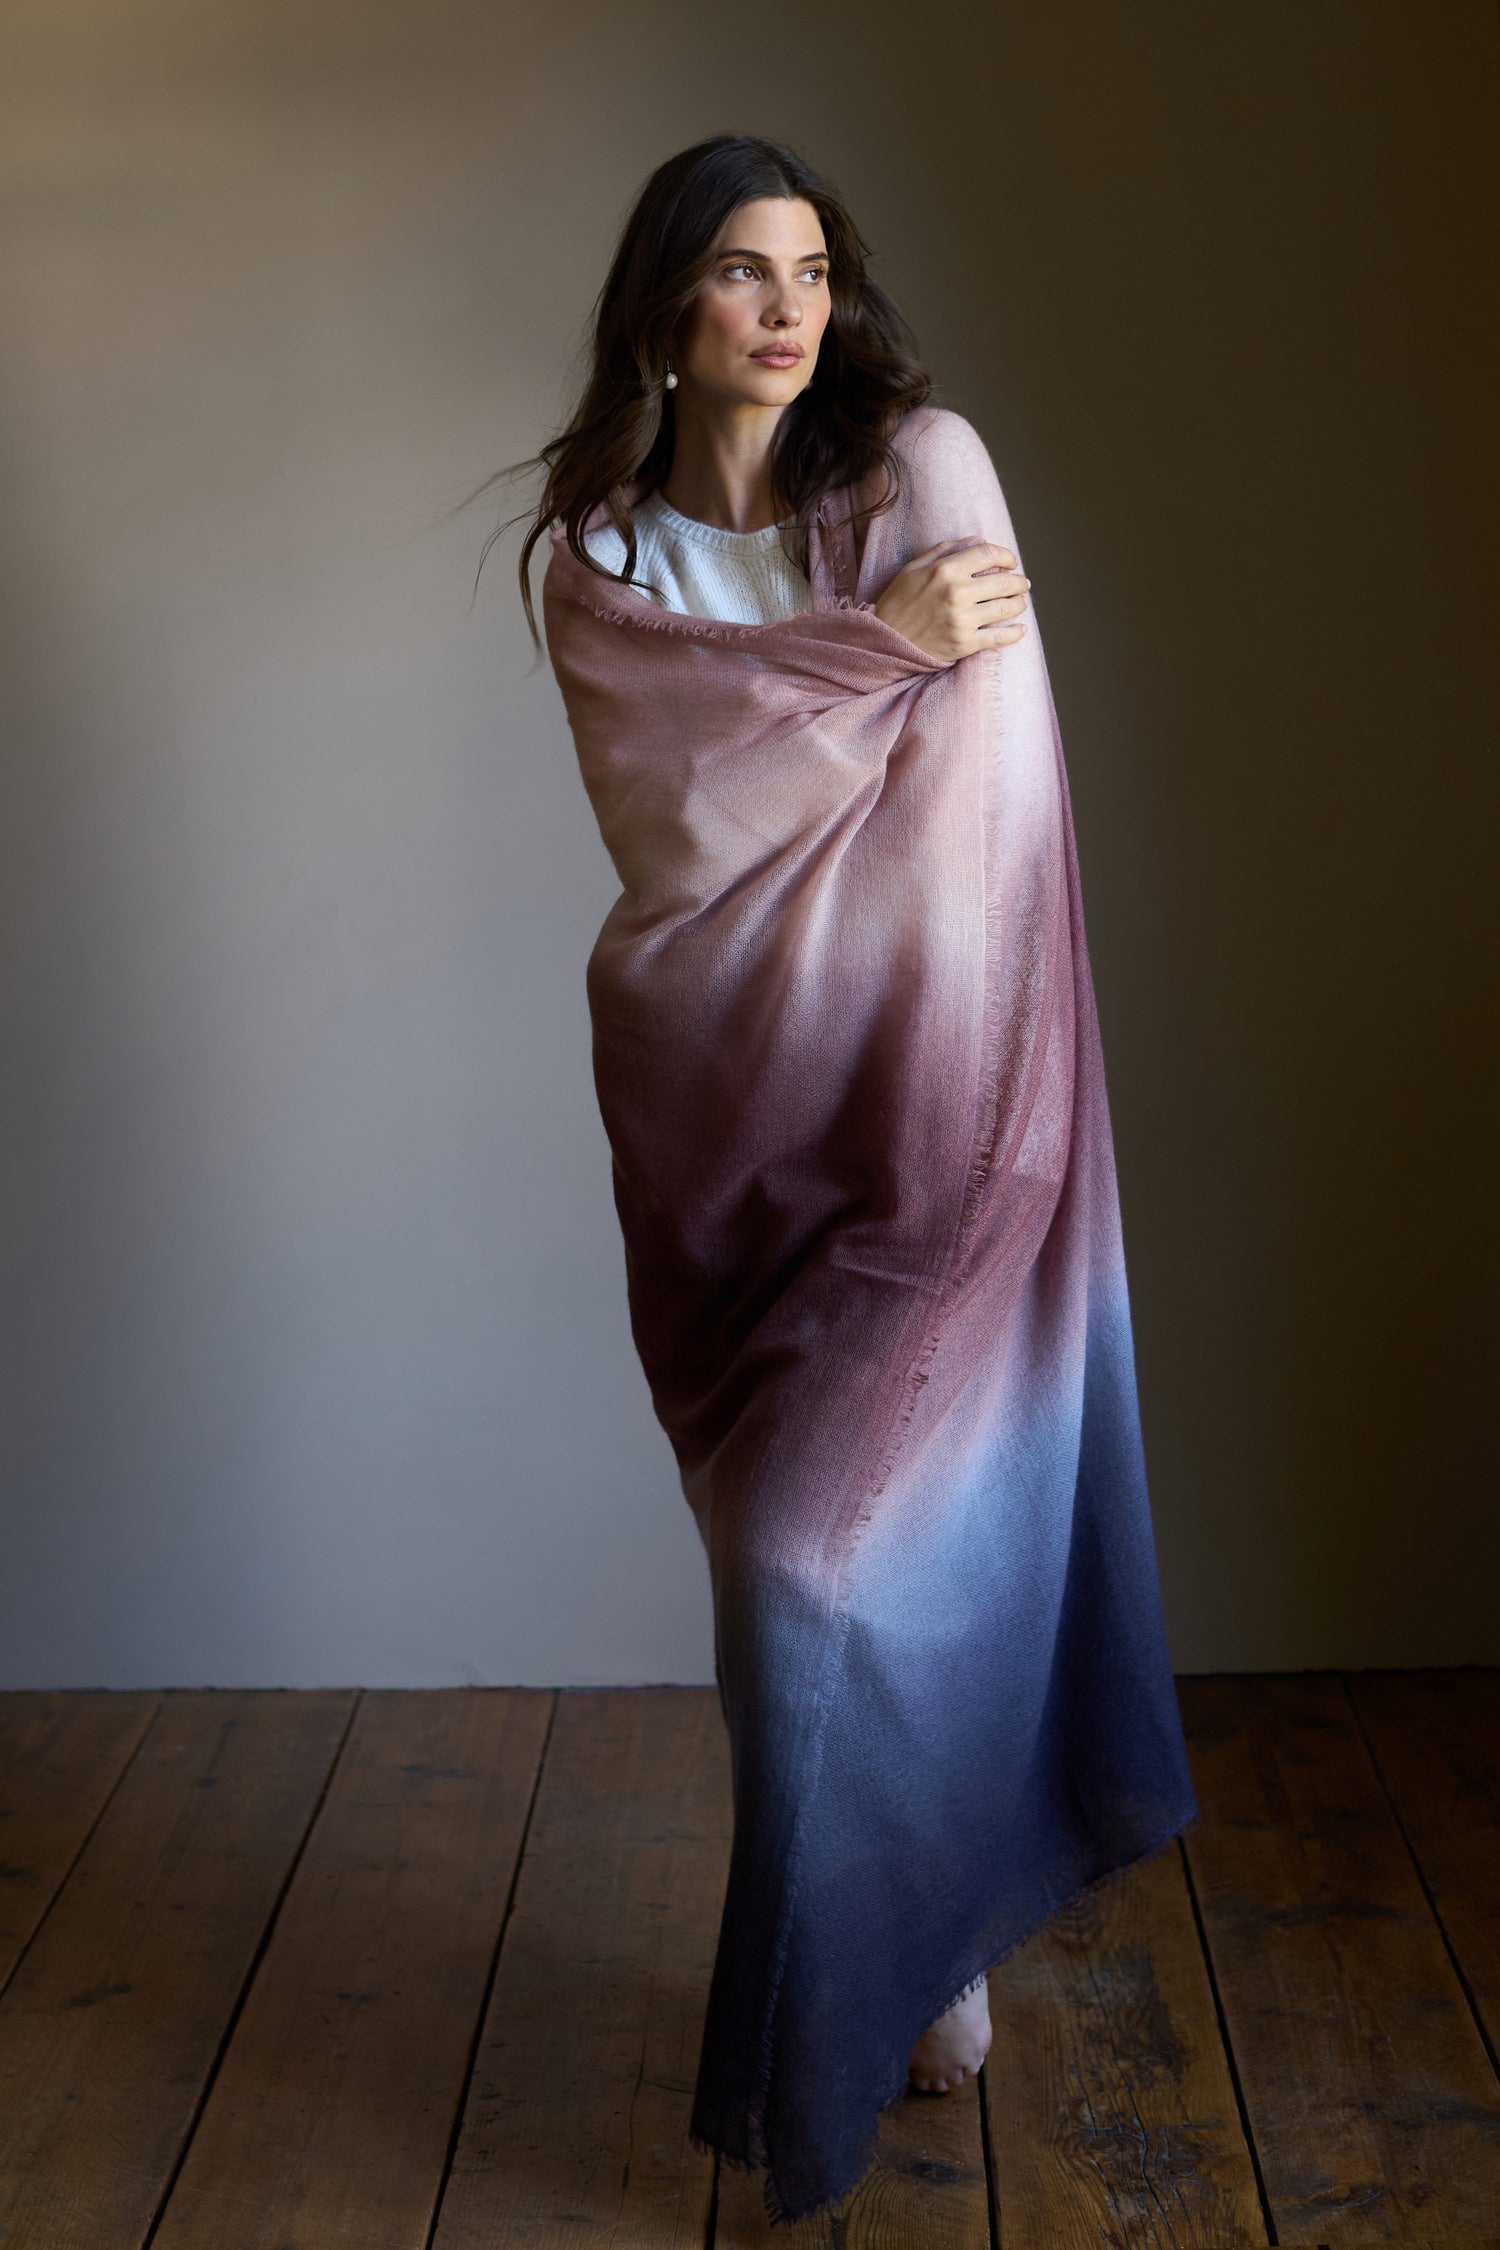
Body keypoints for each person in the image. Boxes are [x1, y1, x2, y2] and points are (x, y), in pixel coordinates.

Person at [491, 133, 1199, 2227]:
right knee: (773, 1592)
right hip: (722, 1135)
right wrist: (871, 657)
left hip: (952, 1118)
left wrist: (887, 649)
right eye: (737, 270)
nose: (788, 305)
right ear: (664, 312)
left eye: (810, 267)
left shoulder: (921, 472)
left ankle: (832, 2024)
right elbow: (684, 826)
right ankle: (926, 1930)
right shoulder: (599, 561)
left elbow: (987, 794)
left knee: (829, 1569)